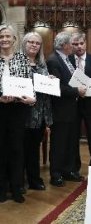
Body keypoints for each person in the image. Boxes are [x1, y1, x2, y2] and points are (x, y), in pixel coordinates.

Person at [0, 24, 35, 203]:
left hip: (17, 109)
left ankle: (16, 188)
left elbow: (29, 83)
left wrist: (32, 98)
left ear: (14, 39)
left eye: (8, 36)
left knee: (16, 148)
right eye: (1, 36)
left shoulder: (22, 58)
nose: (4, 39)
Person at [47, 32, 86, 187]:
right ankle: (55, 174)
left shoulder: (66, 58)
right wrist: (77, 91)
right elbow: (57, 87)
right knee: (58, 144)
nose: (74, 46)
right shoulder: (53, 61)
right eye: (72, 43)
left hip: (71, 109)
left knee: (70, 142)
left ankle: (68, 171)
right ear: (64, 45)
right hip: (60, 110)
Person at [21, 32, 53, 191]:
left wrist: (50, 80)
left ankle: (34, 179)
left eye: (37, 43)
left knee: (34, 148)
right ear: (24, 43)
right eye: (31, 42)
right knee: (21, 148)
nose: (34, 45)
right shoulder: (17, 62)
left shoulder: (42, 64)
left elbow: (45, 87)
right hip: (23, 113)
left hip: (40, 114)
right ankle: (19, 180)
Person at [69, 33, 91, 167]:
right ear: (71, 45)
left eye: (81, 43)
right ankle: (74, 166)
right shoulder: (67, 60)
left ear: (85, 43)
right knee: (72, 137)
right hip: (72, 104)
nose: (79, 47)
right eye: (75, 44)